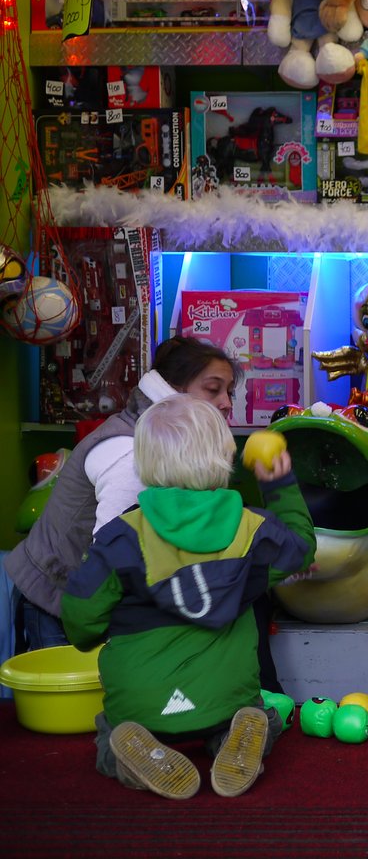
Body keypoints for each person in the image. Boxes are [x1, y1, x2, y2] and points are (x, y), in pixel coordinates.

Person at [61, 395, 315, 799]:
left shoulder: (122, 536)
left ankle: (130, 757)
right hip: (226, 696)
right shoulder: (253, 528)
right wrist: (278, 483)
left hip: (139, 702)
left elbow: (79, 619)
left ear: (145, 462)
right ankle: (230, 738)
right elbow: (301, 548)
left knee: (111, 734)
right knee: (259, 715)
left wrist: (97, 630)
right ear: (224, 457)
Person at [6, 336, 236, 651]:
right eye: (213, 389)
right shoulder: (131, 455)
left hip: (84, 600)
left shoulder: (158, 443)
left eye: (229, 391)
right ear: (170, 392)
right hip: (59, 604)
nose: (227, 402)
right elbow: (110, 555)